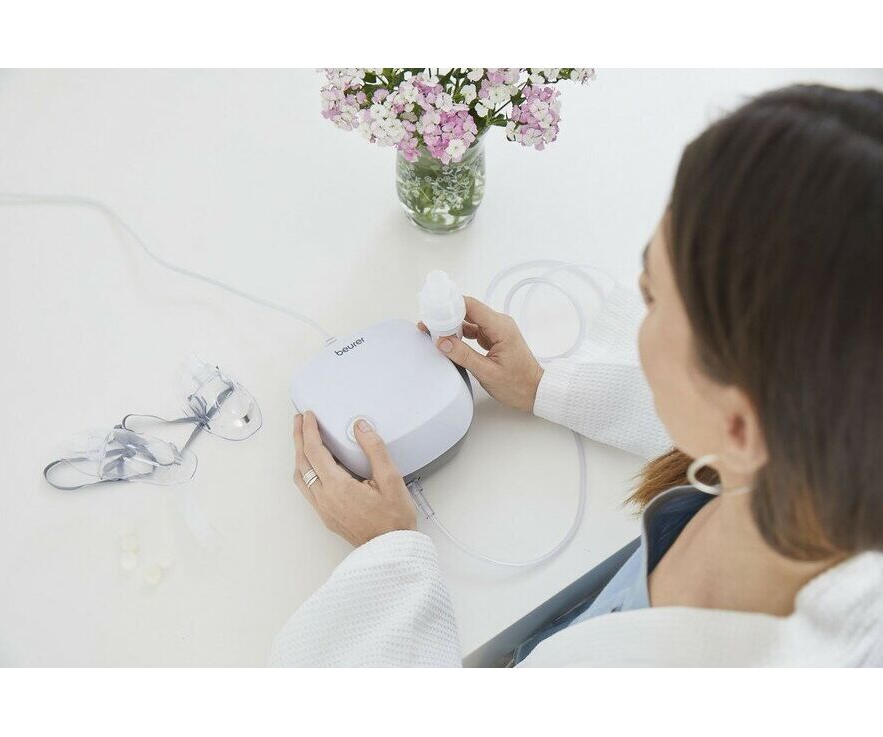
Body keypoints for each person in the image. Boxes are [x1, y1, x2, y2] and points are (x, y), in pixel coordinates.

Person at [270, 84, 883, 667]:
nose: (638, 312)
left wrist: (388, 559)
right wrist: (544, 386)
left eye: (652, 299)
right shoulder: (824, 456)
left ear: (741, 424)